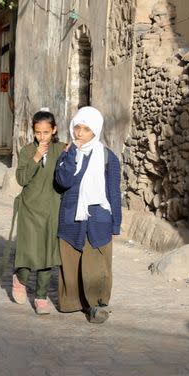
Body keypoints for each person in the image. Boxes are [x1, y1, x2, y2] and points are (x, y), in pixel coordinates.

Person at [54, 106, 121, 324]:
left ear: (96, 130)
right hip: (71, 214)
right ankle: (72, 302)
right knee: (70, 260)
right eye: (77, 127)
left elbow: (114, 192)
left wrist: (116, 223)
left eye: (86, 129)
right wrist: (72, 153)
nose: (79, 133)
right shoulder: (67, 154)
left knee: (97, 263)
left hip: (98, 217)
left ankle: (98, 304)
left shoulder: (108, 158)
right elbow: (63, 181)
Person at [10, 109, 65, 315]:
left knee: (48, 254)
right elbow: (22, 179)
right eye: (38, 133)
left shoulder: (61, 149)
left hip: (52, 209)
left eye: (46, 133)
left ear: (54, 130)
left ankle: (41, 297)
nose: (42, 137)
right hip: (30, 209)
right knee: (28, 251)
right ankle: (20, 278)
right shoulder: (26, 151)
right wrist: (36, 157)